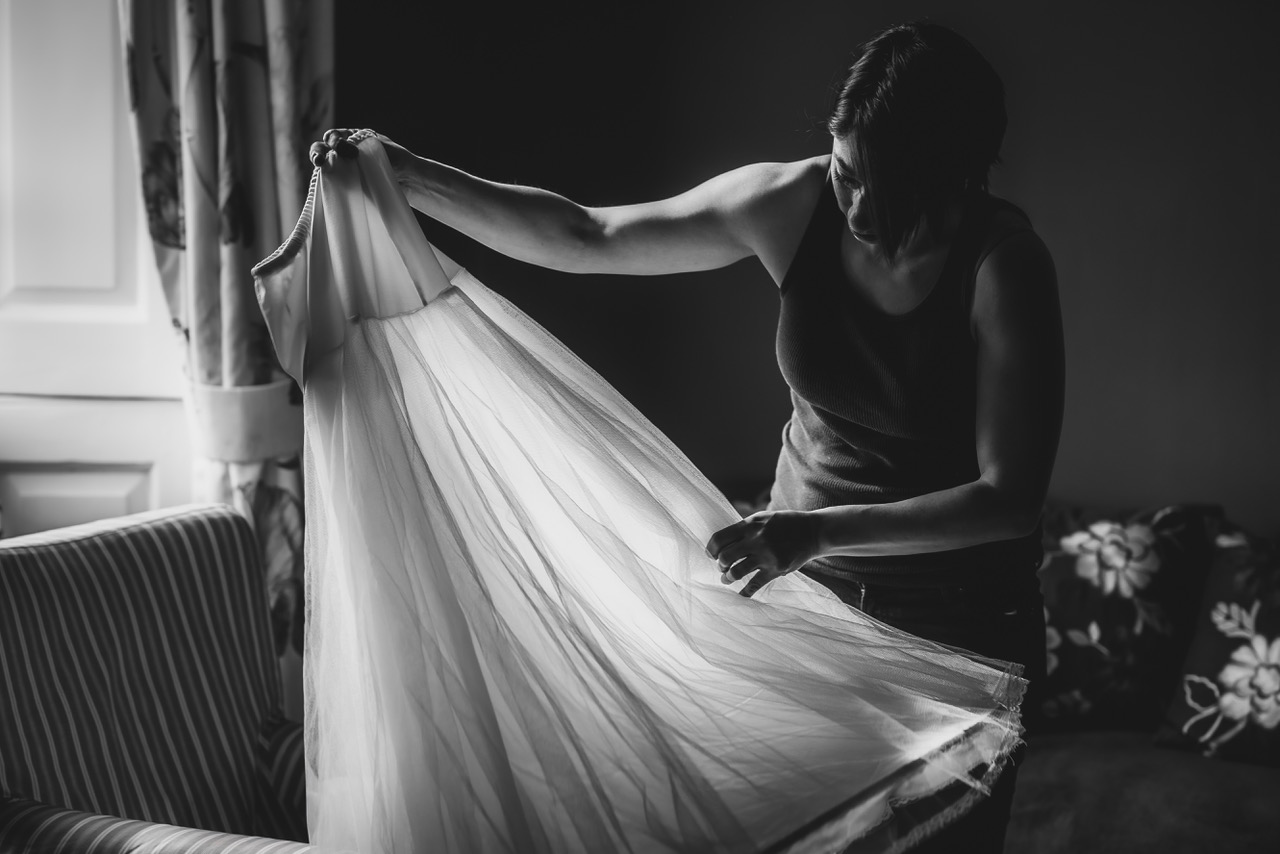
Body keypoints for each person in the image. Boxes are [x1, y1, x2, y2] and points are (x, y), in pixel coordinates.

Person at [312, 19, 1062, 852]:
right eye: (844, 170)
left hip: (959, 627)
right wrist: (407, 176)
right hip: (811, 610)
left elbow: (1010, 500)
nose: (850, 203)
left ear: (950, 179)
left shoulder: (1005, 265)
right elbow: (585, 236)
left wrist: (815, 531)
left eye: (876, 188)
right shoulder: (790, 203)